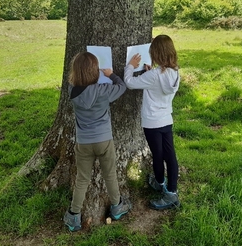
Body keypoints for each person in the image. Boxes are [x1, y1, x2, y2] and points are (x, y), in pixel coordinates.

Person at [63, 52, 131, 232]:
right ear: (95, 71)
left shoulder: (71, 90)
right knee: (110, 175)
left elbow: (78, 84)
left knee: (82, 179)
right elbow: (122, 86)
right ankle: (117, 207)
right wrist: (111, 75)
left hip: (83, 142)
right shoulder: (103, 90)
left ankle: (74, 216)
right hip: (104, 140)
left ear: (75, 71)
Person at [124, 35, 181, 210]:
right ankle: (171, 191)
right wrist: (150, 73)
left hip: (152, 122)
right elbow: (158, 81)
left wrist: (130, 67)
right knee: (170, 155)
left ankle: (160, 184)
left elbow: (129, 82)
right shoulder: (175, 72)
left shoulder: (154, 75)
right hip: (166, 119)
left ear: (155, 53)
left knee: (158, 155)